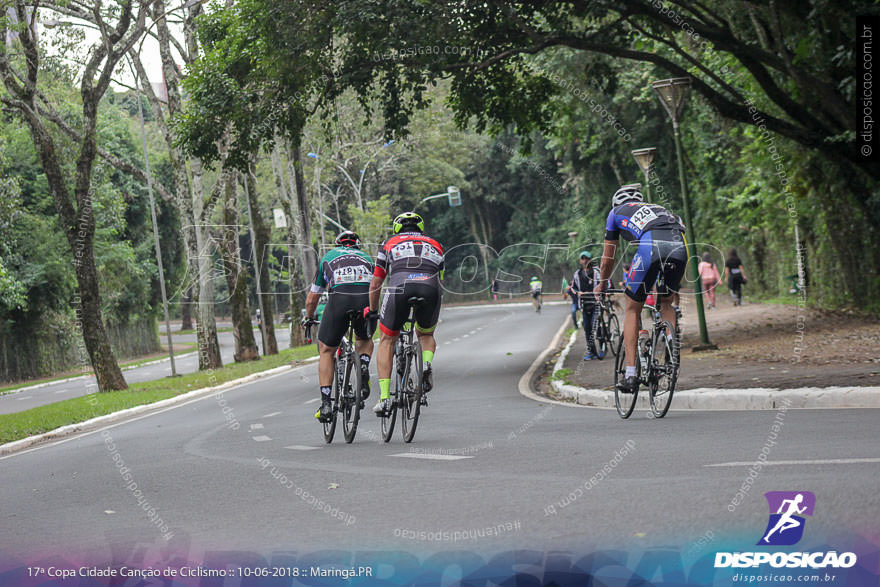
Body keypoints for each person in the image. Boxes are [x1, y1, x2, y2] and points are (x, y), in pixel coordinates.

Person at [594, 185, 687, 395]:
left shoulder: (615, 213)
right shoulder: (660, 209)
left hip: (651, 246)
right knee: (666, 302)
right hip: (680, 246)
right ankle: (672, 346)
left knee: (632, 307)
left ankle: (630, 373)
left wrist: (603, 282)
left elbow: (609, 256)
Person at [368, 212, 444, 415]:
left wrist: (373, 311)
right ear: (420, 228)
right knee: (426, 335)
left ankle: (384, 399)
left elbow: (376, 282)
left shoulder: (389, 243)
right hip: (430, 287)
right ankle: (426, 363)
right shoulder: (436, 245)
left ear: (397, 228)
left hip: (400, 287)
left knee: (386, 340)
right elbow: (441, 278)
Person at [302, 230, 376, 423]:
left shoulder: (328, 257)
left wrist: (309, 318)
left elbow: (312, 300)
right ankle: (364, 366)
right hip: (364, 301)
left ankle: (326, 403)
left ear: (338, 245)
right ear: (357, 245)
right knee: (364, 339)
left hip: (339, 302)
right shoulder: (367, 258)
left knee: (326, 349)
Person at [568, 251, 604, 360]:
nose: (585, 261)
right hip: (584, 305)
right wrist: (577, 292)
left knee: (595, 325)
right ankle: (591, 352)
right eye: (582, 259)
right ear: (580, 261)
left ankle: (602, 348)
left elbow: (605, 283)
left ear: (590, 260)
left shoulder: (597, 272)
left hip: (596, 303)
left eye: (587, 258)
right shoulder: (577, 274)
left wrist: (601, 291)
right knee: (587, 328)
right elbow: (573, 288)